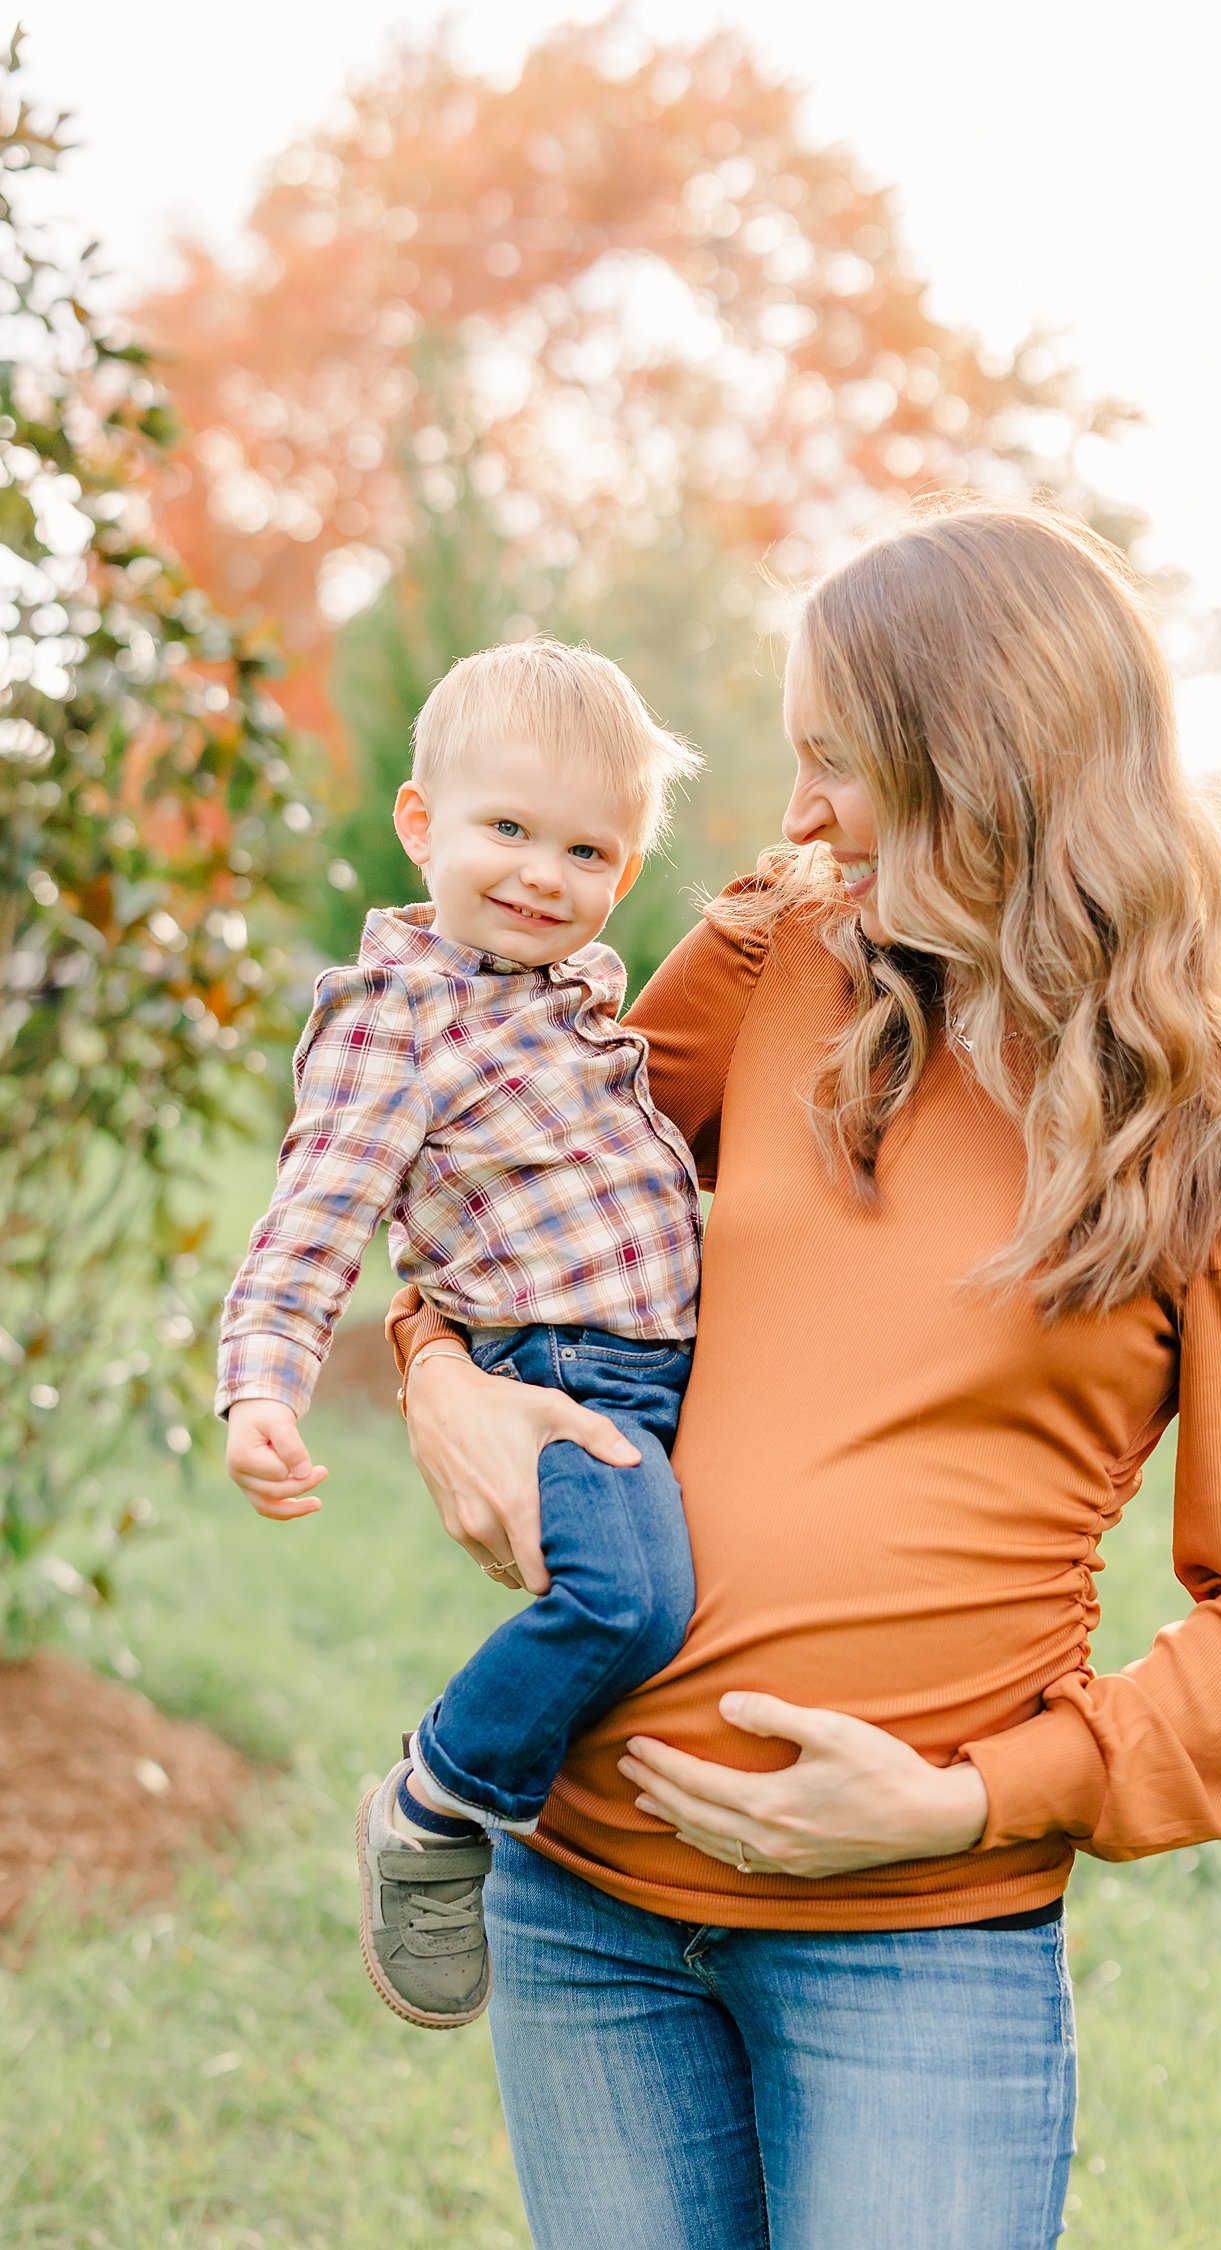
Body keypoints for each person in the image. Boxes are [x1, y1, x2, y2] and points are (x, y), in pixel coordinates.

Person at [392, 502, 1221, 2250]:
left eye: (837, 762)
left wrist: (962, 1798)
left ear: (984, 758)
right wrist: (434, 1373)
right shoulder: (779, 956)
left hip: (917, 1941)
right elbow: (491, 1156)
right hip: (586, 1896)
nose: (794, 818)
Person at [217, 638, 704, 2029]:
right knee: (627, 1601)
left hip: (660, 1372)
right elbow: (316, 1211)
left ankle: (606, 1874)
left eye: (588, 850)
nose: (546, 876)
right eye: (508, 829)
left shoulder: (573, 1001)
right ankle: (435, 1797)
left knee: (669, 1617)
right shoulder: (401, 1017)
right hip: (554, 1373)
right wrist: (264, 1386)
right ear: (422, 825)